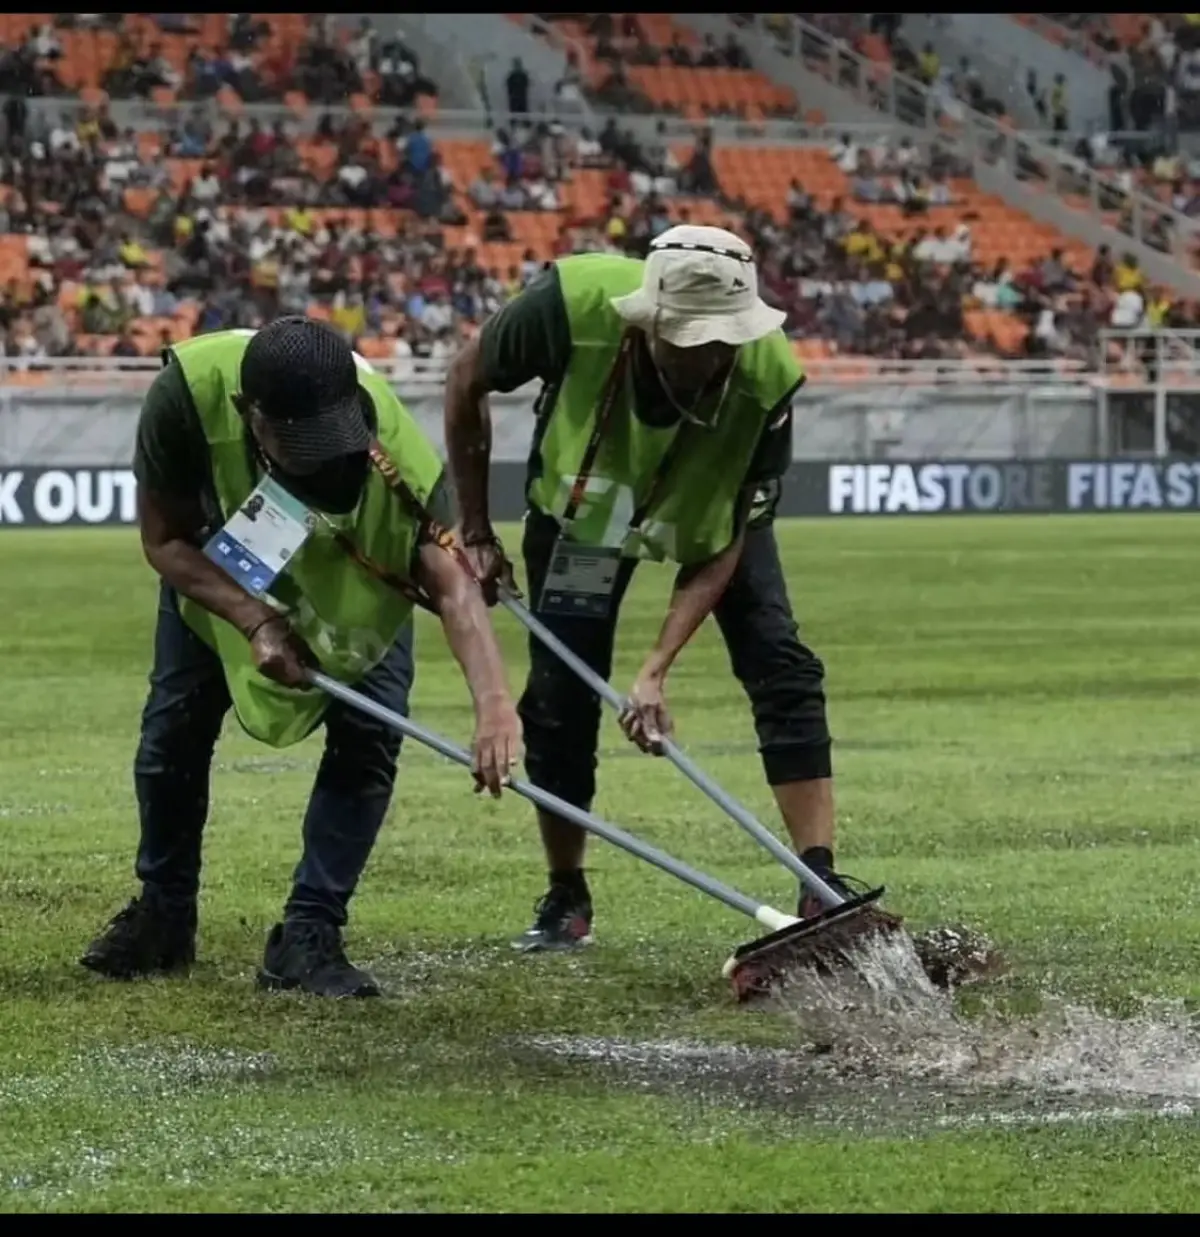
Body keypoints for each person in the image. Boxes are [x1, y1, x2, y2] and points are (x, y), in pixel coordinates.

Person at [443, 224, 867, 954]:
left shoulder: (769, 374)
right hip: (584, 518)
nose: (714, 358)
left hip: (708, 519)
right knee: (561, 703)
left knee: (783, 662)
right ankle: (567, 892)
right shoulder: (565, 306)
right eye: (695, 342)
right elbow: (465, 379)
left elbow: (731, 537)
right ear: (649, 324)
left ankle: (821, 882)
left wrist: (656, 669)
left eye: (726, 340)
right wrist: (476, 528)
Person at [81, 317, 522, 997]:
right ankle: (163, 917)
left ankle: (309, 933)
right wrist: (256, 619)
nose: (324, 460)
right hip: (226, 579)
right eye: (301, 446)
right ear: (247, 417)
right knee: (172, 732)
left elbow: (453, 584)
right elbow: (164, 540)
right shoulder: (184, 397)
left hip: (357, 602)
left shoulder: (402, 456)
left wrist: (494, 707)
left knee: (370, 739)